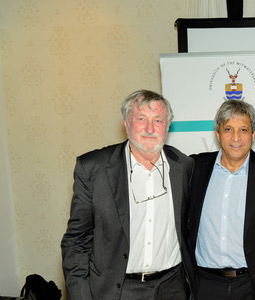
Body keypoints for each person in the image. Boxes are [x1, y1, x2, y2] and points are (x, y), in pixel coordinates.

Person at [61, 90, 194, 300]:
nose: (150, 129)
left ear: (167, 126)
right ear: (126, 124)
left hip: (173, 288)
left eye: (158, 120)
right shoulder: (94, 169)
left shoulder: (183, 165)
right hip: (119, 290)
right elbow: (76, 242)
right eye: (141, 119)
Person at [184, 100, 255, 300]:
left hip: (253, 286)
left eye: (243, 129)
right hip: (204, 285)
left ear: (253, 134)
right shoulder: (194, 168)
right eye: (228, 129)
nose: (236, 137)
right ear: (217, 133)